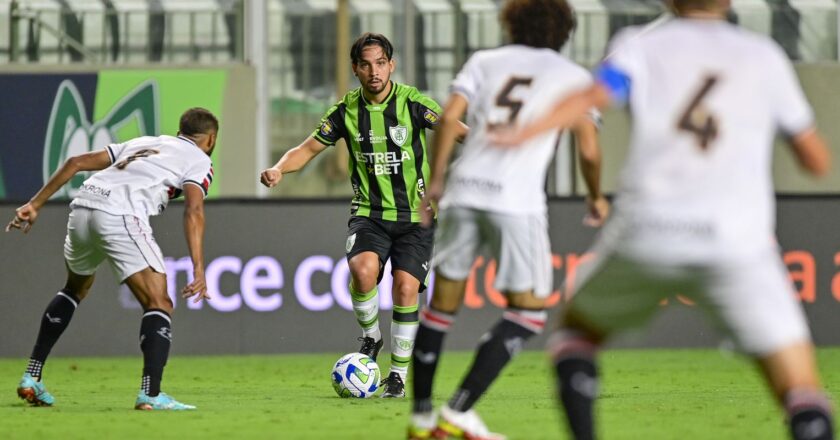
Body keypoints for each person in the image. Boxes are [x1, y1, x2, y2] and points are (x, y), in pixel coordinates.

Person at [492, 1, 834, 439]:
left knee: (574, 336)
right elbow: (815, 160)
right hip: (736, 241)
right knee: (801, 389)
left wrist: (526, 130)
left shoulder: (639, 46)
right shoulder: (764, 56)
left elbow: (595, 96)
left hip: (649, 231)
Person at [406, 1, 608, 438]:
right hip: (516, 201)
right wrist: (595, 196)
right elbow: (589, 150)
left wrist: (436, 181)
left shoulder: (485, 61)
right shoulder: (574, 77)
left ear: (511, 22)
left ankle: (420, 420)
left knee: (441, 307)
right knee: (528, 311)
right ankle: (458, 411)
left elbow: (448, 119)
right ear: (565, 29)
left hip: (464, 190)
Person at [260, 33, 465, 398]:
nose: (375, 72)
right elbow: (306, 149)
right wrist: (278, 168)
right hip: (370, 213)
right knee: (363, 270)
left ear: (392, 65)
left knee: (405, 288)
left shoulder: (414, 103)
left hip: (416, 217)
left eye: (381, 63)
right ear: (355, 68)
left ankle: (397, 376)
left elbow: (455, 128)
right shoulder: (345, 112)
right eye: (366, 65)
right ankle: (372, 337)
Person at [7, 108, 218, 411]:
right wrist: (198, 267)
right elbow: (194, 210)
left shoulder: (145, 142)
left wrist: (34, 204)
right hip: (120, 214)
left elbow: (75, 162)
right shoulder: (200, 160)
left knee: (75, 288)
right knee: (159, 302)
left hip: (83, 207)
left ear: (179, 131)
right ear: (210, 139)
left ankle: (32, 376)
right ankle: (151, 394)